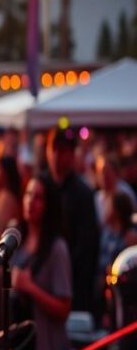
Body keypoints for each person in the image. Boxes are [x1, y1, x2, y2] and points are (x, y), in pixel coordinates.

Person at [11, 174, 72, 350]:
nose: (31, 202)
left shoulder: (57, 249)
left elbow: (64, 308)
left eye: (38, 198)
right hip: (19, 349)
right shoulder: (18, 239)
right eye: (28, 195)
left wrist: (30, 288)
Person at [46, 128, 99, 314]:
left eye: (67, 151)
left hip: (73, 287)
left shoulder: (83, 193)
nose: (61, 156)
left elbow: (87, 246)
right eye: (58, 150)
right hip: (45, 284)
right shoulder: (42, 187)